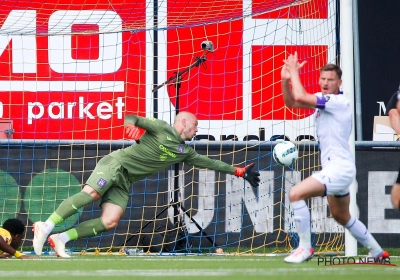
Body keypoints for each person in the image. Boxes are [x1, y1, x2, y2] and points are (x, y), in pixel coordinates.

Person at [33, 111, 260, 258]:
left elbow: (210, 162)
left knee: (110, 220)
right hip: (116, 164)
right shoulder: (161, 127)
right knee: (91, 193)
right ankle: (47, 226)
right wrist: (130, 127)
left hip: (125, 180)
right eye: (196, 124)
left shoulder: (185, 152)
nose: (197, 128)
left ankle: (59, 239)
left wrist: (238, 171)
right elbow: (131, 117)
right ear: (183, 122)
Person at [280, 52, 388, 263]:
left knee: (295, 194)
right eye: (323, 79)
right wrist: (285, 80)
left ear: (340, 82)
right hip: (338, 169)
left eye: (331, 80)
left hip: (338, 169)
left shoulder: (337, 101)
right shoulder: (325, 103)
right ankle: (377, 253)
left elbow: (301, 96)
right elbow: (292, 102)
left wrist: (294, 72)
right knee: (342, 216)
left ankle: (304, 248)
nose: (326, 83)